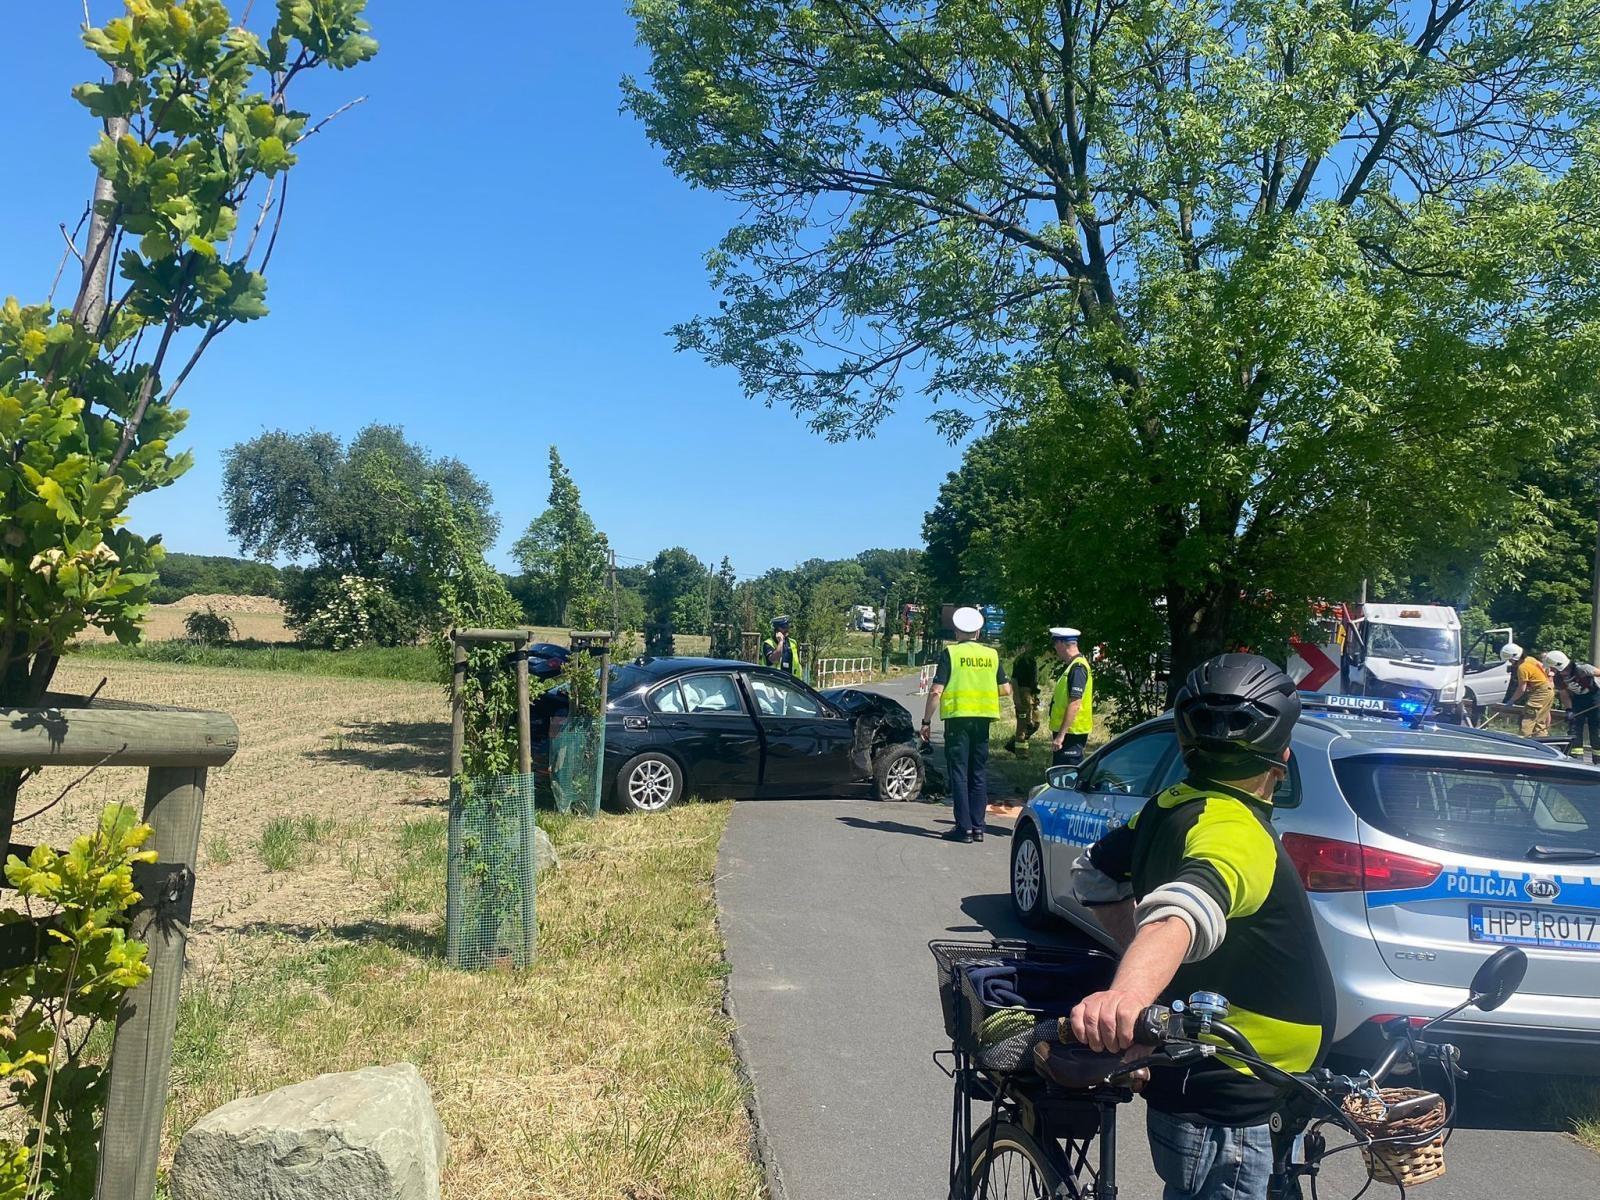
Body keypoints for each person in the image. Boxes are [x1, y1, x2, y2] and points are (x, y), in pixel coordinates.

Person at [1062, 653, 1334, 1200]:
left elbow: (1093, 872)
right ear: (1282, 756)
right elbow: (1180, 911)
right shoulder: (1234, 829)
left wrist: (1145, 964)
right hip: (1232, 1095)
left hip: (1214, 1075)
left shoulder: (1171, 803)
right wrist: (1129, 994)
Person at [922, 606, 1012, 843]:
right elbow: (1006, 689)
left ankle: (964, 828)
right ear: (978, 632)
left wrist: (926, 721)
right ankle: (979, 826)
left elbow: (936, 691)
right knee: (978, 772)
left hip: (958, 719)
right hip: (983, 720)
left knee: (959, 773)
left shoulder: (951, 654)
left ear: (956, 632)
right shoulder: (992, 655)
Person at [1048, 627, 1093, 766]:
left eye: (1055, 644)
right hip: (1069, 731)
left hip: (1072, 733)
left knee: (1067, 772)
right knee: (1062, 771)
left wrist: (1061, 736)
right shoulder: (1073, 666)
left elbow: (1075, 703)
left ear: (1061, 644)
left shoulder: (1077, 668)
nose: (1055, 648)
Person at [1543, 650, 1600, 762]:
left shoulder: (1582, 668)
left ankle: (1598, 759)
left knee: (1596, 730)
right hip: (1578, 700)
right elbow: (1564, 694)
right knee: (1574, 728)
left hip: (1595, 698)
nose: (1551, 670)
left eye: (1552, 668)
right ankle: (1576, 758)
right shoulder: (1558, 678)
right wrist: (1569, 709)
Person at [1501, 642, 1554, 737]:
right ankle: (1542, 742)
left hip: (1540, 692)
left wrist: (1512, 700)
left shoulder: (1522, 668)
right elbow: (1544, 669)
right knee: (1539, 722)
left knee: (1528, 719)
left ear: (1514, 658)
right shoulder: (1530, 659)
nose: (1510, 662)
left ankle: (1523, 741)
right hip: (1548, 690)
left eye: (1510, 660)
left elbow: (1521, 688)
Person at [1003, 645, 1039, 754]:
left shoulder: (1032, 660)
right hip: (1023, 693)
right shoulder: (1021, 660)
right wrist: (1017, 697)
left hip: (1032, 694)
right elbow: (1014, 679)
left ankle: (1013, 744)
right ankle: (1021, 751)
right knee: (1023, 724)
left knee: (1035, 724)